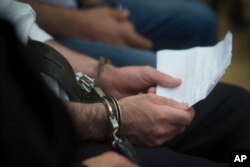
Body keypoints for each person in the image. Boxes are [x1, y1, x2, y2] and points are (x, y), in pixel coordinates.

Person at [2, 1, 250, 166]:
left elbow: (23, 28)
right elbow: (22, 122)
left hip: (76, 99)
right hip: (53, 141)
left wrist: (104, 74)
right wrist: (112, 117)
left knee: (240, 107)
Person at [20, 0, 218, 67]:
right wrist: (83, 24)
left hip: (76, 7)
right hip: (30, 33)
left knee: (200, 21)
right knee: (164, 73)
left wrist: (97, 6)